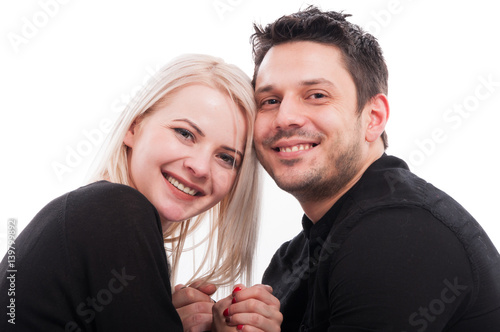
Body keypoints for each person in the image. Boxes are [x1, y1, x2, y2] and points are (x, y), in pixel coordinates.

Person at [245, 6, 500, 331]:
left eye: (316, 95)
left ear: (373, 118)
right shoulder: (293, 259)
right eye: (269, 100)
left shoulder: (397, 235)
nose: (285, 117)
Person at [0, 54, 267, 331]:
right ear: (133, 128)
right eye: (185, 133)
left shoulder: (97, 215)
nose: (200, 167)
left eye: (226, 157)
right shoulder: (116, 210)